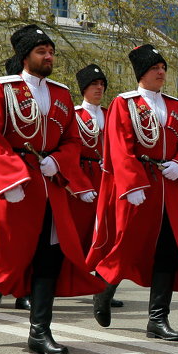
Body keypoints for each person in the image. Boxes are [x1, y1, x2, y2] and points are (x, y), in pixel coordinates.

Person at [0, 24, 101, 354]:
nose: (49, 57)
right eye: (42, 51)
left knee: (49, 257)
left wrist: (59, 162)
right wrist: (9, 178)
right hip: (17, 184)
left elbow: (71, 139)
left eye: (51, 51)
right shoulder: (1, 90)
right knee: (12, 255)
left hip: (51, 185)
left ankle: (39, 331)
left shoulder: (60, 93)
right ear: (25, 56)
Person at [89, 45, 178, 339]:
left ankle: (158, 319)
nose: (161, 72)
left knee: (168, 252)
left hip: (169, 190)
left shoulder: (177, 107)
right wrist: (131, 184)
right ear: (142, 74)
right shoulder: (125, 104)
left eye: (163, 67)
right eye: (154, 68)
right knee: (127, 246)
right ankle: (104, 287)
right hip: (139, 188)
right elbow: (120, 148)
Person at [73, 63, 108, 252]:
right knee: (80, 227)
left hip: (107, 178)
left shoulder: (110, 115)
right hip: (84, 175)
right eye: (94, 83)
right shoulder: (75, 115)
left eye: (102, 84)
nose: (99, 88)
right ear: (84, 88)